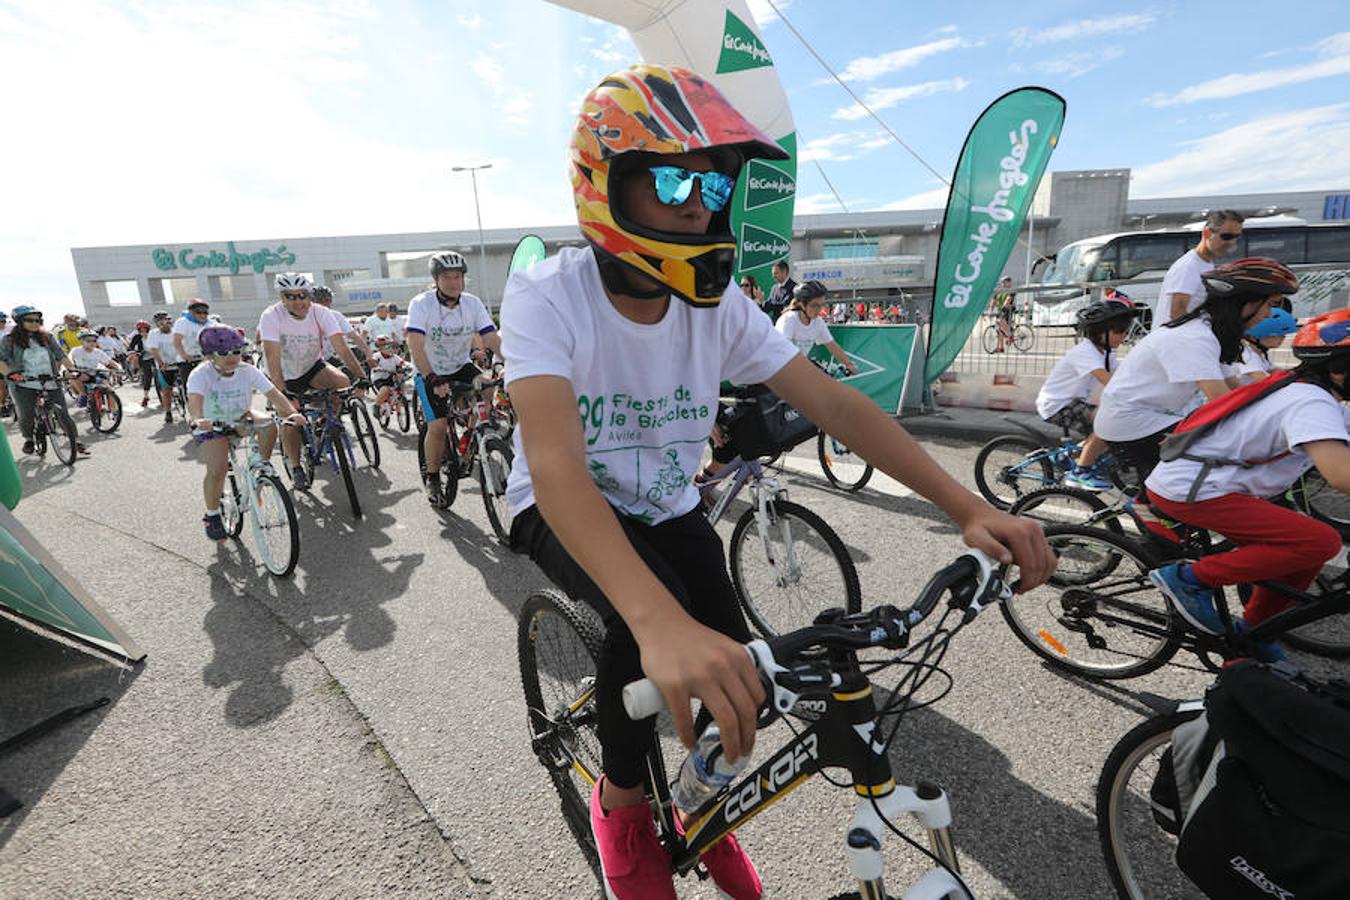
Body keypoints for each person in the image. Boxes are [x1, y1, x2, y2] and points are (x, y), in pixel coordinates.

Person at [499, 63, 1055, 900]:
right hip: (560, 504)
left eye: (716, 186)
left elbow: (835, 403)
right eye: (676, 176)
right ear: (604, 184)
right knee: (632, 633)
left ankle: (696, 806)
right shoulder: (547, 294)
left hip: (667, 500)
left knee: (742, 678)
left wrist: (969, 507)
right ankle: (621, 811)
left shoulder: (716, 304)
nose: (699, 203)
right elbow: (555, 465)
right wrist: (656, 622)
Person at [1144, 307, 1350, 660]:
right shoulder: (1309, 402)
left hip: (1220, 485)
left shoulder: (1310, 391)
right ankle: (1188, 578)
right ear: (1339, 369)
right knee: (1320, 540)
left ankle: (1252, 632)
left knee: (1303, 555)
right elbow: (1341, 476)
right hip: (1195, 490)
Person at [1094, 258, 1293, 481]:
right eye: (1269, 305)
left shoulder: (1212, 332)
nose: (1268, 314)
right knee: (1217, 470)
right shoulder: (1195, 337)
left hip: (1153, 417)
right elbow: (1221, 401)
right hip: (1133, 423)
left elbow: (1234, 387)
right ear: (1245, 302)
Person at [187, 325, 306, 542]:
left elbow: (274, 394)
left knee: (269, 423)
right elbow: (194, 402)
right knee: (218, 470)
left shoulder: (247, 370)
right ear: (210, 355)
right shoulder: (200, 374)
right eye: (224, 353)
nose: (232, 357)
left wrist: (291, 413)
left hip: (241, 416)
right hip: (212, 425)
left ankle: (261, 466)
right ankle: (212, 515)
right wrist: (197, 419)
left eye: (236, 351)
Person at [406, 250, 501, 506]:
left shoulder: (472, 303)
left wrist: (514, 360)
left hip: (460, 365)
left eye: (457, 276)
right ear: (436, 279)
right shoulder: (422, 303)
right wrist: (431, 377)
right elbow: (414, 342)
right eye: (447, 277)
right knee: (437, 426)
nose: (453, 281)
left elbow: (490, 337)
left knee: (488, 386)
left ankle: (474, 431)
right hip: (430, 370)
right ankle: (433, 477)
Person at [257, 273, 365, 491]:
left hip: (311, 367)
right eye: (291, 297)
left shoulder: (321, 313)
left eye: (302, 295)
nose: (298, 301)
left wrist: (362, 377)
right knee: (291, 420)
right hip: (283, 374)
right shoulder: (271, 315)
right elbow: (272, 356)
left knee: (342, 381)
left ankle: (324, 423)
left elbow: (341, 348)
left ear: (309, 294)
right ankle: (296, 467)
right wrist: (283, 395)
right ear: (282, 298)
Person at [1035, 298, 1138, 491]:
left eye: (1125, 331)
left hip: (1075, 402)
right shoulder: (1085, 352)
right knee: (1107, 422)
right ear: (1100, 332)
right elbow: (1109, 380)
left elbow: (1125, 376)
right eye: (1119, 331)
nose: (1124, 336)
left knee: (1117, 424)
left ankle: (1066, 457)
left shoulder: (1106, 353)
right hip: (1056, 404)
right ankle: (1080, 472)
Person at [0, 306, 89, 456]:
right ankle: (29, 438)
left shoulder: (47, 337)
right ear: (20, 321)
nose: (35, 323)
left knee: (63, 413)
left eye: (38, 320)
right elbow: (1, 360)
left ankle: (75, 440)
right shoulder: (9, 340)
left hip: (49, 379)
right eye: (30, 320)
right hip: (23, 382)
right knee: (26, 414)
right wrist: (11, 374)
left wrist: (72, 370)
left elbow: (61, 355)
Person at [1153, 210, 1244, 330]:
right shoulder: (1189, 266)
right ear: (1207, 233)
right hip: (1175, 343)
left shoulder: (1205, 264)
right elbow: (1177, 313)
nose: (1232, 242)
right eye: (1226, 236)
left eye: (1237, 237)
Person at [775, 281, 857, 376]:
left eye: (821, 305)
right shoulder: (788, 320)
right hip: (779, 370)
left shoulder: (818, 322)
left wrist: (848, 364)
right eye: (814, 305)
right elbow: (783, 352)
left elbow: (831, 345)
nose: (819, 310)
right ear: (802, 304)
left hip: (798, 368)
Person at [311, 284, 372, 374]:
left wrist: (369, 355)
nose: (324, 303)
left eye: (327, 300)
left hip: (328, 358)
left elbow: (354, 337)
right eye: (319, 301)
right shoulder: (305, 317)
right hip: (309, 361)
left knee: (351, 375)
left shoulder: (336, 316)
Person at [1237, 305, 1298, 383]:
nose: (1283, 338)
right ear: (1259, 335)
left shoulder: (1260, 354)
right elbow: (1263, 380)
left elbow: (1275, 371)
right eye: (1279, 335)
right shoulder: (1247, 355)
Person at [146, 311, 182, 423]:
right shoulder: (153, 334)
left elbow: (182, 346)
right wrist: (161, 363)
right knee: (167, 390)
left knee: (187, 387)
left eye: (166, 320)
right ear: (157, 324)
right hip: (164, 366)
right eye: (160, 322)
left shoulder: (177, 331)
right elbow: (154, 350)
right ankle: (168, 412)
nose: (164, 323)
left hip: (179, 362)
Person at [68, 330, 122, 406]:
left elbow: (109, 362)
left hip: (96, 373)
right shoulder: (76, 351)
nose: (92, 343)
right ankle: (83, 395)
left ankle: (114, 411)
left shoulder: (98, 352)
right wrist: (71, 369)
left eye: (94, 341)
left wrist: (119, 368)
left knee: (109, 389)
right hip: (83, 374)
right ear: (81, 341)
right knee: (73, 377)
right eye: (88, 341)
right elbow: (69, 360)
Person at [172, 300, 212, 392]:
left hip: (206, 359)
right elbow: (177, 341)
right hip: (188, 360)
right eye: (198, 312)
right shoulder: (183, 322)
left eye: (205, 312)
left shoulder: (210, 323)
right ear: (190, 312)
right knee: (192, 389)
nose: (202, 315)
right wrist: (183, 354)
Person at [125, 320, 155, 408]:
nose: (143, 332)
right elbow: (131, 347)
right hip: (144, 357)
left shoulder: (153, 336)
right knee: (147, 376)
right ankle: (146, 396)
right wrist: (132, 352)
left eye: (145, 330)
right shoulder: (137, 337)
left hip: (156, 356)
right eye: (141, 331)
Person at [991, 277, 1016, 351]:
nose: (1003, 284)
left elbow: (1008, 299)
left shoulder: (1011, 290)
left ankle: (1010, 335)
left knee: (1000, 322)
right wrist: (990, 310)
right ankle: (1001, 348)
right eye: (1002, 282)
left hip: (1008, 310)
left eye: (1005, 282)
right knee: (999, 329)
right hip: (1000, 310)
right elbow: (993, 300)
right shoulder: (999, 291)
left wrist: (1004, 306)